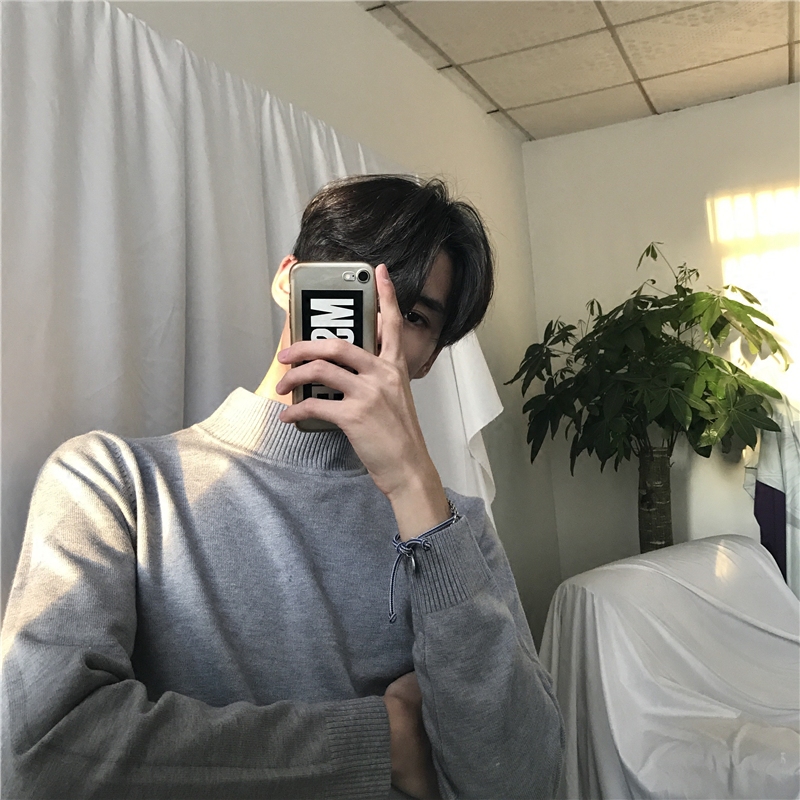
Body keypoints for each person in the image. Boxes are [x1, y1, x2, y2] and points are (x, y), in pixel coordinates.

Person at [1, 175, 564, 799]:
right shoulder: (113, 482)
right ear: (287, 281)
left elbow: (527, 782)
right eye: (356, 285)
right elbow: (43, 757)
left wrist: (413, 485)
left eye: (414, 315)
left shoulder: (456, 526)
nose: (378, 326)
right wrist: (384, 738)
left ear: (430, 356)